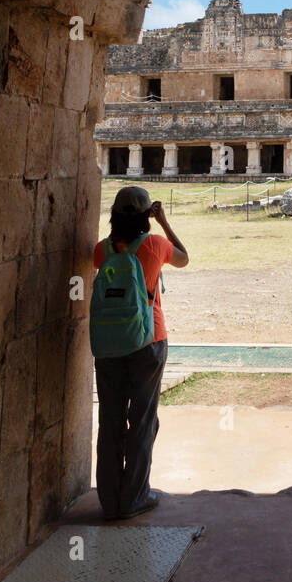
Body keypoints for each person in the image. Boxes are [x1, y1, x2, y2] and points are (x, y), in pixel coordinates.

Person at [92, 186, 188, 521]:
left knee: (110, 420)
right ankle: (134, 497)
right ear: (147, 214)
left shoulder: (102, 250)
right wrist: (163, 222)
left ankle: (109, 499)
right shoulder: (155, 245)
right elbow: (183, 257)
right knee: (143, 419)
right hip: (148, 340)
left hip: (108, 343)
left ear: (114, 215)